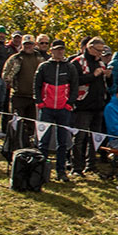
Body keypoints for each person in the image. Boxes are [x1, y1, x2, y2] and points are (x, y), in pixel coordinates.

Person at [34, 40, 79, 181]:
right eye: (57, 50)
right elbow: (36, 85)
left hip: (63, 109)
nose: (60, 52)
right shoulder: (44, 67)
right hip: (46, 108)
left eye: (62, 50)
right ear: (51, 51)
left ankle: (61, 171)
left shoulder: (70, 67)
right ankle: (40, 171)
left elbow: (75, 87)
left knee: (62, 142)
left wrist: (69, 103)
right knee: (44, 141)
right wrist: (39, 102)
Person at [70, 36, 111, 176]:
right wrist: (93, 75)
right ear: (89, 48)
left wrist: (108, 76)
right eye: (98, 50)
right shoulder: (77, 62)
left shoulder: (101, 63)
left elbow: (106, 83)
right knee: (80, 137)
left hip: (99, 105)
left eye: (102, 51)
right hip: (83, 106)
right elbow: (74, 82)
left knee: (95, 138)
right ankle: (76, 167)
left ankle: (91, 165)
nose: (100, 53)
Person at [1, 34, 44, 151]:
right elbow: (5, 75)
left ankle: (29, 148)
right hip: (18, 96)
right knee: (16, 123)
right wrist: (11, 81)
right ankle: (14, 146)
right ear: (22, 45)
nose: (28, 46)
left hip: (34, 97)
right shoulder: (15, 58)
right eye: (26, 44)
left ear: (34, 45)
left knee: (32, 125)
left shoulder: (40, 59)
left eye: (30, 44)